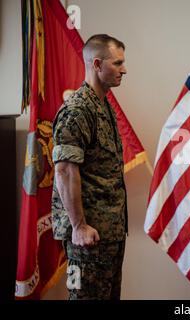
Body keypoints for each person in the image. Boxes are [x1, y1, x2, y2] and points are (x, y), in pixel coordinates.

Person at [51, 34, 128, 300]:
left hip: (109, 235)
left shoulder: (103, 106)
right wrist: (79, 225)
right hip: (87, 240)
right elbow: (64, 171)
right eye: (117, 63)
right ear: (96, 64)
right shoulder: (77, 110)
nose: (124, 70)